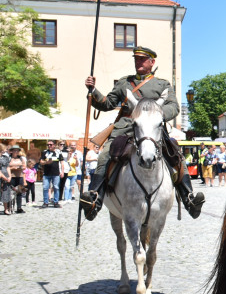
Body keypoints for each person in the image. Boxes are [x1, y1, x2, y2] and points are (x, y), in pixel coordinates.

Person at [80, 46, 204, 220]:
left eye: (142, 59)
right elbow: (107, 103)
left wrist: (157, 114)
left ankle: (189, 199)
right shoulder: (124, 83)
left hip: (152, 131)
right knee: (105, 155)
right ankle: (95, 200)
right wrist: (93, 91)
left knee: (176, 155)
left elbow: (173, 107)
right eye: (136, 59)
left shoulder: (162, 84)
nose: (138, 62)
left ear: (152, 62)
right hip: (125, 129)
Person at [40, 141, 62, 208]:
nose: (49, 146)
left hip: (56, 173)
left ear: (54, 145)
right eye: (48, 145)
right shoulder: (45, 152)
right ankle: (45, 202)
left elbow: (62, 162)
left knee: (56, 187)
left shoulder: (58, 152)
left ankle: (56, 202)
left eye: (51, 144)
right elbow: (41, 162)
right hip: (46, 173)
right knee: (45, 188)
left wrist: (62, 171)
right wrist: (47, 162)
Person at [8, 145, 26, 213]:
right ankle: (10, 207)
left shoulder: (21, 158)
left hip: (19, 176)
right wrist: (13, 168)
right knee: (11, 192)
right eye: (14, 150)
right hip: (12, 176)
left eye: (17, 150)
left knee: (19, 192)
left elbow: (24, 167)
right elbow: (7, 167)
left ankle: (19, 207)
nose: (16, 152)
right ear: (12, 151)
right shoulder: (9, 158)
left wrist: (20, 168)